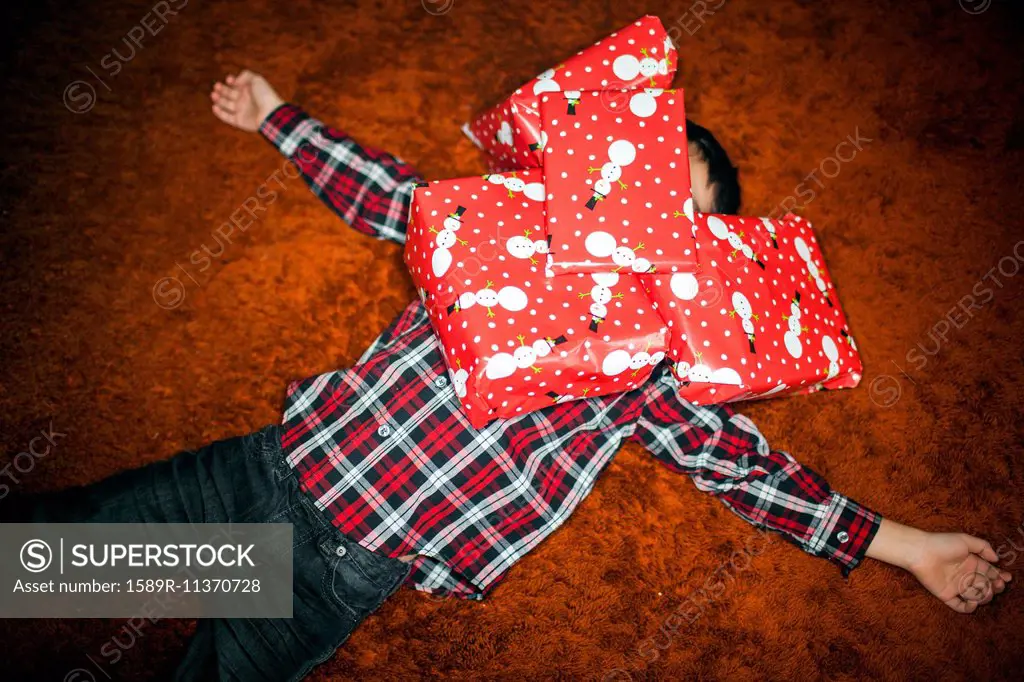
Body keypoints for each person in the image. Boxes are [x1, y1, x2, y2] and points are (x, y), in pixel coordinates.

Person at [3, 70, 1009, 681]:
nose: (643, 240)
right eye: (639, 200)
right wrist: (279, 118)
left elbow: (743, 468)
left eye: (678, 229)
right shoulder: (495, 242)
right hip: (272, 468)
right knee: (54, 552)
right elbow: (394, 198)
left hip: (337, 574)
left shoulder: (652, 372)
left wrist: (908, 547)